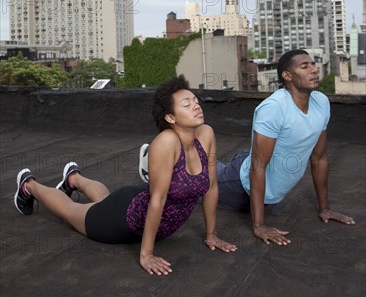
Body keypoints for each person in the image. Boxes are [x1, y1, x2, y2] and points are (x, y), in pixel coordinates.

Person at [14, 75, 237, 275]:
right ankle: (29, 186)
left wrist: (211, 234)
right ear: (170, 117)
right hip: (125, 220)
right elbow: (157, 200)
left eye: (196, 101)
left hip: (138, 202)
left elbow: (211, 187)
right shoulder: (166, 142)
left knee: (103, 201)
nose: (196, 106)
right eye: (187, 104)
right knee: (71, 210)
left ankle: (74, 178)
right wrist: (146, 255)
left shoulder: (206, 134)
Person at [139, 50, 356, 247]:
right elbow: (258, 167)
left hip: (259, 178)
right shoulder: (274, 108)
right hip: (240, 183)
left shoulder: (321, 103)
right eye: (304, 66)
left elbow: (319, 159)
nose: (314, 69)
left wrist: (324, 208)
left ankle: (177, 162)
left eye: (313, 64)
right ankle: (158, 163)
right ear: (287, 76)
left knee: (211, 170)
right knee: (194, 189)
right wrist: (259, 226)